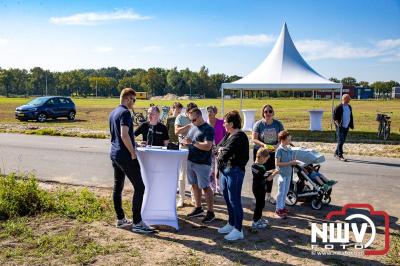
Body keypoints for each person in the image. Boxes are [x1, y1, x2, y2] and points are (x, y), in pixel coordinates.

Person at [109, 88, 154, 234]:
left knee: (118, 187)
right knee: (140, 187)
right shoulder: (125, 113)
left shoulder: (113, 112)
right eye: (133, 100)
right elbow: (124, 135)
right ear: (127, 99)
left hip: (115, 154)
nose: (134, 103)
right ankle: (137, 222)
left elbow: (119, 135)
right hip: (125, 156)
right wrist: (133, 152)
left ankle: (121, 219)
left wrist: (135, 144)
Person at [216, 110, 249, 241]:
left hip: (234, 172)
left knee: (234, 200)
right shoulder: (228, 135)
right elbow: (217, 148)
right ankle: (231, 223)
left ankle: (238, 229)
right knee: (227, 199)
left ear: (231, 123)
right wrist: (220, 150)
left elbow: (225, 153)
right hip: (225, 171)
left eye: (225, 123)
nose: (223, 125)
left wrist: (220, 151)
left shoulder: (239, 136)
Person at [181, 107, 215, 223]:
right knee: (194, 185)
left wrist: (193, 143)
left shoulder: (208, 129)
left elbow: (208, 146)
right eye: (191, 120)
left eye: (194, 120)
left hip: (202, 163)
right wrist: (185, 142)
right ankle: (198, 208)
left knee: (205, 187)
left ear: (200, 116)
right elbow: (189, 140)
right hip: (191, 161)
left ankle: (210, 212)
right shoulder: (192, 127)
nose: (192, 122)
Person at [252, 104, 284, 205]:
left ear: (273, 112)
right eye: (266, 111)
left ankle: (268, 195)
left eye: (270, 111)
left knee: (269, 173)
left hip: (273, 153)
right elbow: (254, 139)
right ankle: (257, 196)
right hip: (261, 153)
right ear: (263, 113)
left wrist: (277, 145)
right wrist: (264, 145)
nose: (268, 113)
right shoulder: (258, 124)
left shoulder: (278, 124)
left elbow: (283, 137)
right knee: (258, 174)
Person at [175, 102, 198, 208]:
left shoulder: (197, 118)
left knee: (194, 175)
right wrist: (188, 126)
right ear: (187, 112)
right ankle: (181, 199)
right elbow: (176, 131)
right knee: (182, 175)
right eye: (191, 113)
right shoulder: (180, 117)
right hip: (183, 148)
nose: (193, 116)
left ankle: (194, 198)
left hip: (195, 149)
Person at [251, 147, 279, 229]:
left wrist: (271, 171)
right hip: (258, 188)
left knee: (262, 204)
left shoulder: (258, 165)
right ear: (262, 157)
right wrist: (275, 172)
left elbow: (265, 172)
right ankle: (255, 222)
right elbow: (268, 178)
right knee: (259, 205)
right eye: (266, 159)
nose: (266, 161)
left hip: (261, 188)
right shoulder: (256, 167)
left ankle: (259, 219)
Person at [275, 130, 296, 219]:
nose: (290, 141)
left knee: (286, 192)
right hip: (281, 174)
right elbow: (277, 163)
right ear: (282, 140)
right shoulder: (279, 150)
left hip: (288, 174)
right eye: (288, 140)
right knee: (281, 192)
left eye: (290, 139)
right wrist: (290, 163)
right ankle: (278, 209)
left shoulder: (288, 148)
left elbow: (291, 160)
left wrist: (294, 161)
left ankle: (282, 207)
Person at [206, 105, 226, 194]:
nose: (209, 113)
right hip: (208, 149)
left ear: (215, 113)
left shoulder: (221, 122)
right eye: (208, 111)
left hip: (220, 149)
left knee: (220, 168)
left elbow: (226, 135)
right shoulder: (205, 124)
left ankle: (220, 187)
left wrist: (222, 146)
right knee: (211, 169)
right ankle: (212, 188)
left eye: (211, 111)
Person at [333, 94, 354, 161]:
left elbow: (350, 116)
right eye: (348, 98)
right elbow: (334, 117)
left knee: (342, 140)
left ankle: (336, 153)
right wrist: (338, 125)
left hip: (346, 126)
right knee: (340, 140)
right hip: (340, 126)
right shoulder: (339, 107)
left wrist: (350, 124)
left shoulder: (349, 107)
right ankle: (340, 155)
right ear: (344, 99)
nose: (350, 100)